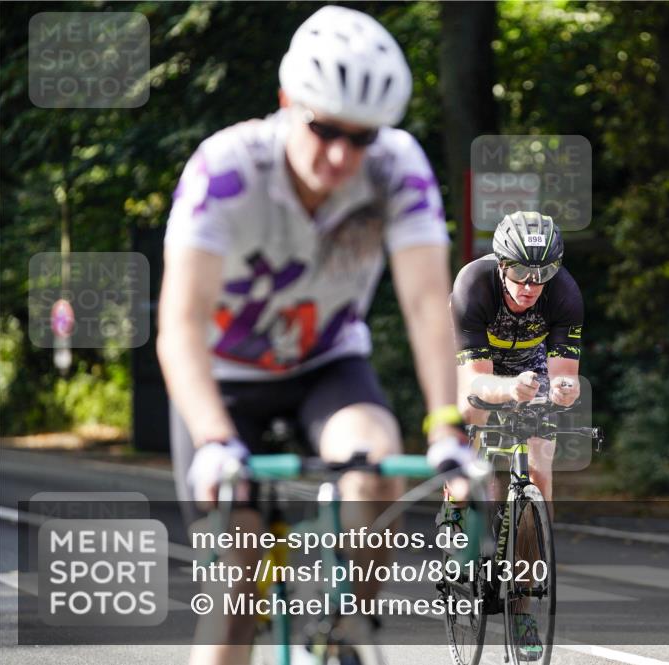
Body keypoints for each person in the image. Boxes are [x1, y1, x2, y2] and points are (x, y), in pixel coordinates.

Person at [157, 6, 471, 664]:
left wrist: (447, 427)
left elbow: (423, 301)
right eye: (324, 129)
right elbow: (180, 324)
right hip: (224, 382)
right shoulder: (226, 170)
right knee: (236, 591)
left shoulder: (396, 168)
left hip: (326, 365)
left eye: (360, 138)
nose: (340, 155)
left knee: (376, 468)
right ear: (285, 102)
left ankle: (342, 629)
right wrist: (215, 442)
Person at [449, 210, 583, 660]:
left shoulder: (564, 293)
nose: (530, 284)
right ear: (502, 265)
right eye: (521, 272)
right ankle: (460, 513)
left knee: (540, 474)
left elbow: (567, 379)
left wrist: (563, 392)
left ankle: (522, 602)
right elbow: (476, 385)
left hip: (533, 368)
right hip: (483, 371)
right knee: (473, 433)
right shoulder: (473, 285)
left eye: (542, 273)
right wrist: (510, 389)